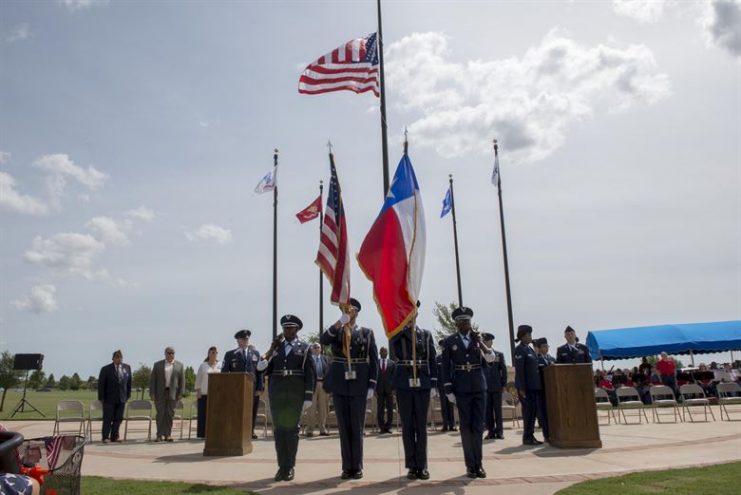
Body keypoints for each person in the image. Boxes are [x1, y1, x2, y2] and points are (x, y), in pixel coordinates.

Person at [320, 298, 378, 480]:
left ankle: (357, 466)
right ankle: (347, 467)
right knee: (344, 428)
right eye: (346, 310)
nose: (349, 313)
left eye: (352, 310)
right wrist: (340, 323)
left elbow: (374, 361)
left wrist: (372, 384)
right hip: (340, 382)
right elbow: (323, 340)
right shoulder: (337, 330)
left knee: (357, 426)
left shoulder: (367, 333)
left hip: (359, 382)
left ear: (357, 312)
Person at [441, 306, 498, 479]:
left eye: (468, 321)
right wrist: (448, 389)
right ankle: (470, 465)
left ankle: (479, 464)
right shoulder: (450, 341)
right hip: (462, 388)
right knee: (466, 427)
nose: (466, 324)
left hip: (479, 388)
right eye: (462, 322)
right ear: (456, 324)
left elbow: (490, 358)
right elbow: (445, 367)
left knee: (478, 427)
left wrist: (480, 342)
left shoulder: (477, 341)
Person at [257, 315, 315, 482]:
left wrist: (308, 396)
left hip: (295, 393)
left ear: (296, 330)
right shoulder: (276, 348)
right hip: (277, 392)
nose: (287, 331)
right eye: (285, 328)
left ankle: (289, 466)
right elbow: (263, 369)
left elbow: (309, 373)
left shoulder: (304, 348)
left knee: (291, 431)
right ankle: (281, 466)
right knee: (279, 431)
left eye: (291, 328)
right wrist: (267, 355)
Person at [390, 303, 437, 480]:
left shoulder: (425, 335)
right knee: (408, 425)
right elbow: (394, 348)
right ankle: (411, 465)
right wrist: (403, 328)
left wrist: (433, 384)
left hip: (422, 382)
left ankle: (422, 465)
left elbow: (432, 360)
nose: (410, 314)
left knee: (421, 426)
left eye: (412, 311)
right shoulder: (397, 333)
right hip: (404, 383)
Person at [221, 329, 263, 439]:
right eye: (243, 339)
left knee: (252, 411)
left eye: (247, 339)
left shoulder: (255, 354)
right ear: (238, 341)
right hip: (236, 389)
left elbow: (259, 372)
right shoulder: (230, 354)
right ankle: (237, 431)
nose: (245, 341)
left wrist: (259, 387)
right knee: (237, 410)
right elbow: (224, 373)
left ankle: (251, 431)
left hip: (252, 388)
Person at [514, 325, 545, 446]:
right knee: (528, 413)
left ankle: (530, 436)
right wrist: (521, 388)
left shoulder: (529, 349)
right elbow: (520, 370)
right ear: (522, 337)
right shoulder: (520, 349)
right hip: (526, 388)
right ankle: (527, 437)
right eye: (528, 335)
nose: (530, 337)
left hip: (534, 386)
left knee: (533, 412)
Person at [149, 346, 185, 442]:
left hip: (173, 394)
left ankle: (167, 435)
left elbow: (182, 381)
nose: (171, 355)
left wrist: (181, 393)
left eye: (172, 353)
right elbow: (153, 380)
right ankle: (159, 435)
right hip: (160, 393)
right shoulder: (157, 365)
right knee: (160, 414)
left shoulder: (179, 365)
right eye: (169, 353)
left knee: (170, 414)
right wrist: (152, 393)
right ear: (165, 354)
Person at [97, 349, 132, 443]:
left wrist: (127, 396)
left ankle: (114, 436)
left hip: (122, 398)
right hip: (109, 399)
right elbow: (101, 384)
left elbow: (129, 383)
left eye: (120, 357)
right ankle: (105, 437)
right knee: (108, 419)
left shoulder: (127, 367)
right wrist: (101, 398)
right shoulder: (106, 369)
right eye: (117, 357)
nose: (119, 359)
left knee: (118, 419)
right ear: (113, 359)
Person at [482, 333, 507, 441]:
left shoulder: (498, 354)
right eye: (485, 341)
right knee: (487, 411)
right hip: (485, 387)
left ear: (491, 342)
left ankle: (500, 431)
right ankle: (491, 432)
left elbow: (503, 370)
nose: (487, 342)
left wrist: (504, 384)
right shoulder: (480, 354)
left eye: (488, 341)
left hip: (497, 386)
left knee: (498, 410)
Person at [303, 343, 330, 437]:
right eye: (314, 347)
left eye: (317, 347)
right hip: (312, 385)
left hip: (323, 384)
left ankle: (323, 429)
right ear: (311, 349)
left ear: (320, 349)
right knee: (311, 408)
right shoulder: (308, 359)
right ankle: (310, 430)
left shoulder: (325, 359)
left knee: (323, 408)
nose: (316, 348)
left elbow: (328, 372)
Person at [194, 346, 220, 439]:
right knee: (203, 415)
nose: (214, 354)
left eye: (215, 352)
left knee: (215, 414)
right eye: (212, 352)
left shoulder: (220, 365)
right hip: (204, 393)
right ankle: (202, 434)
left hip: (217, 395)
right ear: (208, 354)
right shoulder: (203, 365)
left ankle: (214, 433)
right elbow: (198, 380)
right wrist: (198, 391)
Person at [533, 338, 553, 441]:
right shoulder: (536, 359)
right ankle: (547, 435)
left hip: (553, 391)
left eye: (547, 346)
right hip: (542, 390)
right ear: (539, 348)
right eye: (544, 346)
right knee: (544, 413)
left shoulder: (552, 359)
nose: (546, 348)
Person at [436, 339, 456, 432]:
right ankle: (445, 424)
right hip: (441, 385)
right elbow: (436, 373)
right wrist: (435, 387)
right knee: (443, 406)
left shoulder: (452, 357)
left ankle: (452, 425)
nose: (443, 347)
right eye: (442, 346)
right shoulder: (438, 358)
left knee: (450, 406)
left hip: (451, 385)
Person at [376, 346, 396, 434]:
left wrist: (393, 389)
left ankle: (388, 427)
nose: (384, 353)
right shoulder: (375, 363)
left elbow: (395, 377)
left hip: (389, 390)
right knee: (380, 409)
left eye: (385, 352)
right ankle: (382, 427)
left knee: (390, 409)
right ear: (379, 353)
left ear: (387, 353)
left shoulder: (392, 363)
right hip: (379, 390)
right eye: (382, 352)